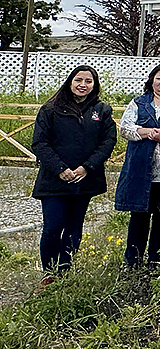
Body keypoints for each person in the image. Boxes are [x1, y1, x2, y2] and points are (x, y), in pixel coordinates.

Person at [32, 65, 117, 276]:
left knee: (73, 228)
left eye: (88, 81)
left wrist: (87, 167)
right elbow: (40, 143)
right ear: (70, 82)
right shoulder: (50, 109)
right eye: (79, 80)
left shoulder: (102, 110)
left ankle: (65, 272)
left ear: (94, 85)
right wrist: (60, 168)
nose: (83, 85)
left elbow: (108, 141)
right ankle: (50, 275)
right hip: (54, 180)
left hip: (84, 180)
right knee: (52, 228)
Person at [115, 63, 160, 269]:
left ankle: (156, 261)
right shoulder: (139, 102)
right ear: (152, 81)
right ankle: (132, 261)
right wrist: (150, 132)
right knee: (139, 216)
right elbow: (125, 128)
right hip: (141, 170)